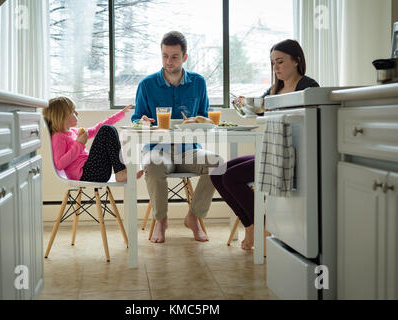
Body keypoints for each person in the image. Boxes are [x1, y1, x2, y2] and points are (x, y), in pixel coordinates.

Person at [210, 39, 319, 251]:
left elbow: (312, 122)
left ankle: (258, 225)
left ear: (296, 60)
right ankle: (252, 224)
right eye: (272, 63)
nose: (275, 68)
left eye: (280, 62)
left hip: (292, 154)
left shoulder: (308, 87)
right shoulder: (274, 89)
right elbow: (256, 110)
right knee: (217, 173)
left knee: (231, 177)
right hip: (271, 149)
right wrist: (242, 105)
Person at [132, 31, 224, 243]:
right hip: (156, 149)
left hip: (189, 150)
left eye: (174, 56)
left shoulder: (198, 83)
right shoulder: (147, 85)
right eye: (164, 55)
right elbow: (137, 119)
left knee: (218, 164)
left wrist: (202, 122)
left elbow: (204, 118)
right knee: (153, 166)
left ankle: (194, 217)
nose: (168, 61)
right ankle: (161, 221)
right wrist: (143, 120)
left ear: (185, 57)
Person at [43, 96, 143, 183]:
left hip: (95, 172)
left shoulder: (73, 132)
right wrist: (79, 144)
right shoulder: (58, 137)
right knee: (106, 129)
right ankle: (120, 172)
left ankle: (120, 171)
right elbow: (59, 164)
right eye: (73, 112)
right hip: (85, 174)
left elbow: (96, 129)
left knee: (107, 128)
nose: (77, 113)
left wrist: (120, 114)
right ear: (62, 117)